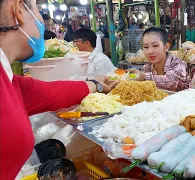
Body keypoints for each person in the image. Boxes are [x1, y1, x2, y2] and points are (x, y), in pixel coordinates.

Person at [0, 1, 119, 179]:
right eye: (37, 10)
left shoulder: (8, 79)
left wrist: (97, 84)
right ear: (18, 10)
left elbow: (52, 92)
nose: (41, 19)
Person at [129, 27, 190, 92]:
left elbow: (170, 81)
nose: (150, 51)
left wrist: (144, 76)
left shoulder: (178, 64)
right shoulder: (147, 67)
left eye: (155, 46)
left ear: (166, 47)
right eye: (146, 47)